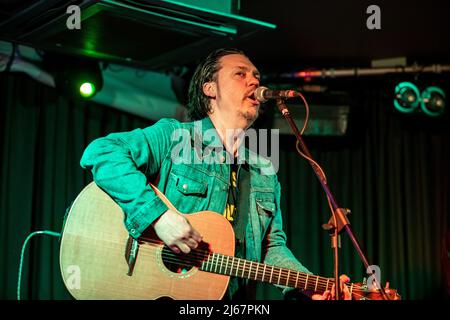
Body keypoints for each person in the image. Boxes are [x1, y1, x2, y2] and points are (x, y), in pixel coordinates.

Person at [80, 48, 350, 300]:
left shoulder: (264, 172)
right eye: (240, 73)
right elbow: (102, 152)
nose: (254, 81)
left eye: (256, 75)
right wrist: (158, 217)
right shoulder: (174, 137)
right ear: (210, 88)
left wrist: (311, 285)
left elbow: (270, 248)